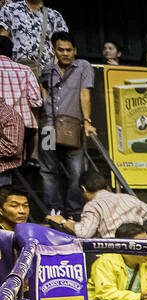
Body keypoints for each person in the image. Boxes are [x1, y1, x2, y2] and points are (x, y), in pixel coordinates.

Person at [39, 33, 94, 219]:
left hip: (72, 124)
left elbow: (85, 93)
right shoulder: (48, 70)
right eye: (61, 50)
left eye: (69, 50)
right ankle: (53, 211)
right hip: (48, 126)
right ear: (54, 51)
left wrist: (87, 121)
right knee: (47, 170)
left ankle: (74, 212)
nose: (65, 53)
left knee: (76, 171)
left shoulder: (83, 66)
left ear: (75, 50)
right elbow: (43, 88)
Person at [48, 171, 147, 238]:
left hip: (112, 252)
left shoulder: (93, 205)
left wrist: (63, 221)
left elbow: (84, 233)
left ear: (83, 188)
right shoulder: (129, 198)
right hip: (137, 249)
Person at [0, 0, 66, 77]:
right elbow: (3, 40)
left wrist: (56, 72)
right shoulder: (9, 10)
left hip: (45, 76)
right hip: (15, 73)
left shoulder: (55, 16)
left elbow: (62, 46)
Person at [88, 222, 147, 300]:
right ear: (124, 247)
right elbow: (106, 294)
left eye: (146, 243)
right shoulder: (105, 262)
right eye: (140, 245)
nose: (146, 249)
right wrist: (139, 297)